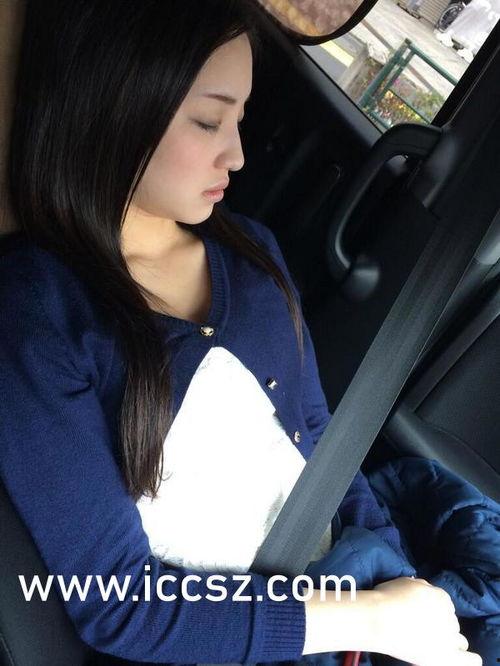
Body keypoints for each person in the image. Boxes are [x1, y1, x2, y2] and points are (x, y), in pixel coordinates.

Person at [0, 1, 482, 665]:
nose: (237, 153)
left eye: (240, 119)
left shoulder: (252, 253)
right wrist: (368, 622)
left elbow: (319, 439)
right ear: (112, 107)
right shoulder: (36, 312)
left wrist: (397, 582)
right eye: (209, 121)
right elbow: (118, 602)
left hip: (347, 591)